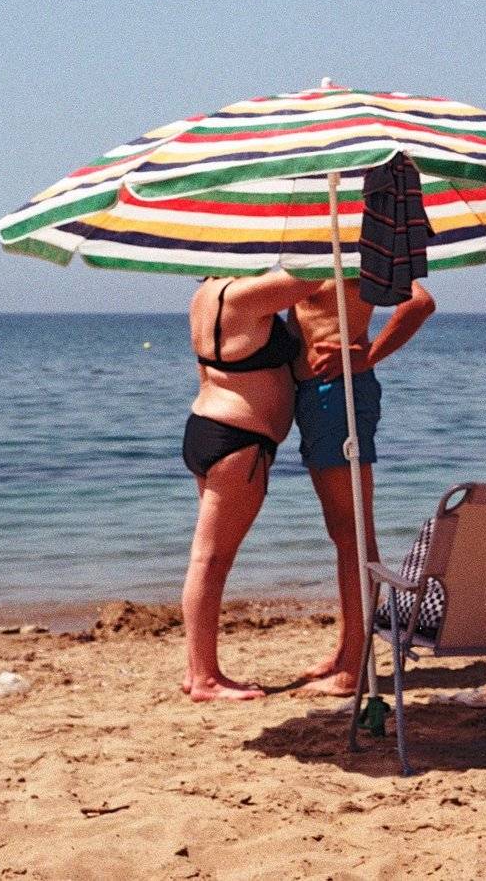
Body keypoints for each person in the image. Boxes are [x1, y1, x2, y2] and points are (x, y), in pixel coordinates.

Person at [290, 278, 436, 695]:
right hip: (316, 394)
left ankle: (354, 665)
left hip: (341, 395)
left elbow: (420, 302)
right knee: (342, 533)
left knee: (354, 533)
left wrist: (368, 356)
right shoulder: (311, 256)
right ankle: (345, 651)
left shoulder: (355, 252)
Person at [180, 272, 320, 701]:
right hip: (238, 440)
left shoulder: (206, 293)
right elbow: (316, 274)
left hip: (213, 429)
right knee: (211, 560)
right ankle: (205, 678)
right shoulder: (241, 294)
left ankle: (195, 670)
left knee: (208, 557)